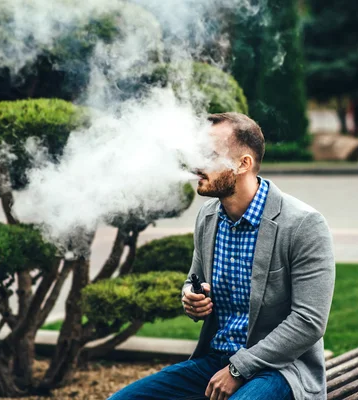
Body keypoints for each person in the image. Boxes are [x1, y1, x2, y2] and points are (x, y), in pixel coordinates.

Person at [108, 112, 335, 400]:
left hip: (281, 370)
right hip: (216, 362)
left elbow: (308, 321)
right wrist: (192, 299)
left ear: (243, 164)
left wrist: (239, 369)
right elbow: (195, 281)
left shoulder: (304, 224)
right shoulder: (208, 217)